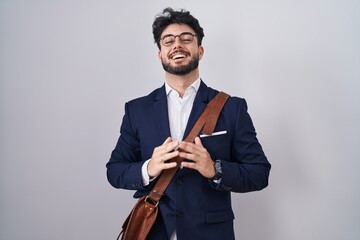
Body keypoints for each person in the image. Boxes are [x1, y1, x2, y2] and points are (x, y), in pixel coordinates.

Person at [106, 7, 271, 240]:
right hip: (154, 232)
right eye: (168, 41)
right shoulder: (136, 110)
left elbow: (259, 172)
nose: (177, 45)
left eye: (186, 39)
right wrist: (148, 168)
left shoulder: (231, 107)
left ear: (200, 50)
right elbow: (114, 170)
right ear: (160, 54)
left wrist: (214, 169)